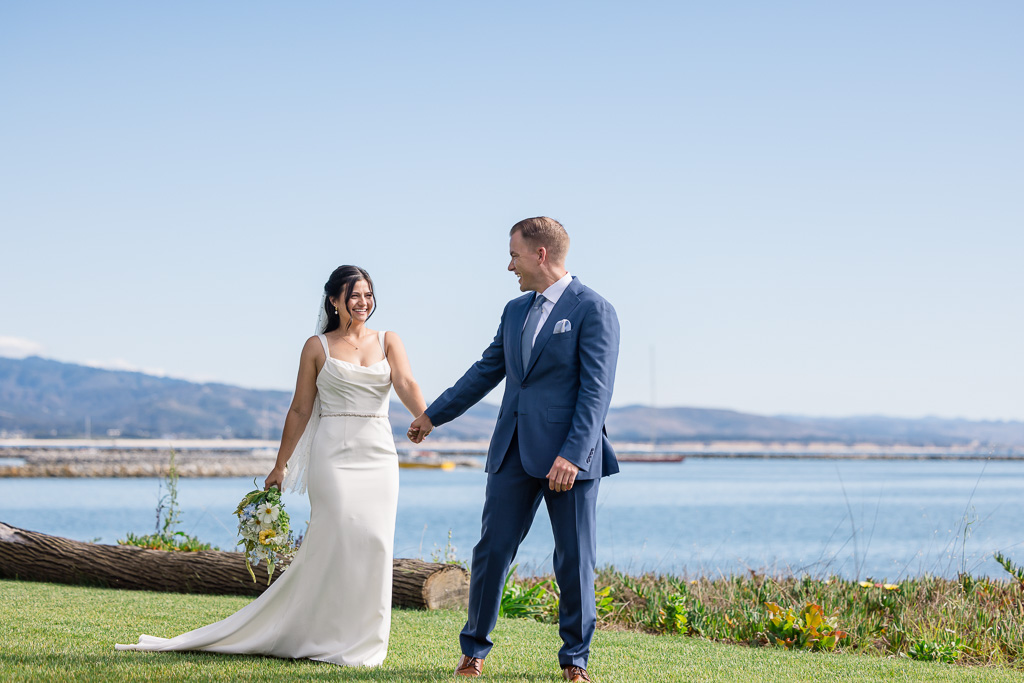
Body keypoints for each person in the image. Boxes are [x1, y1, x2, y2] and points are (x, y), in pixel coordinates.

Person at [116, 265, 428, 667]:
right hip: (333, 456)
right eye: (353, 295)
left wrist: (425, 417)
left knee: (375, 542)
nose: (362, 302)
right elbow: (300, 409)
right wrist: (280, 466)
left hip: (379, 455)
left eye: (367, 294)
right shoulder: (317, 347)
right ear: (334, 300)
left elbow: (406, 383)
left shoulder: (389, 340)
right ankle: (316, 631)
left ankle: (364, 642)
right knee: (333, 540)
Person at [408, 217, 619, 683]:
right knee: (491, 552)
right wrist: (433, 414)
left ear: (540, 254)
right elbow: (485, 370)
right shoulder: (514, 311)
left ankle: (575, 662)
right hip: (511, 452)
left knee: (574, 559)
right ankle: (473, 652)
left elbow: (596, 392)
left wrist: (573, 453)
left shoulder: (593, 309)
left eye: (514, 255)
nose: (509, 266)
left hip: (570, 460)